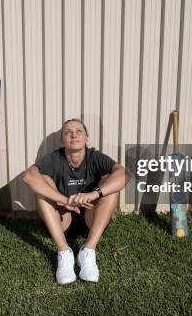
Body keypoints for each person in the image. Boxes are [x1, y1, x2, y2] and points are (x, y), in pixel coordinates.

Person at [22, 118, 130, 284]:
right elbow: (28, 177)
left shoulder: (94, 157)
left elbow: (124, 175)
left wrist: (93, 194)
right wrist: (64, 200)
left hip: (91, 219)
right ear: (62, 140)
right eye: (68, 132)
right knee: (42, 181)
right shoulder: (54, 158)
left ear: (87, 138)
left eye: (79, 131)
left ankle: (88, 251)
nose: (73, 135)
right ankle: (64, 253)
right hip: (62, 220)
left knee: (110, 181)